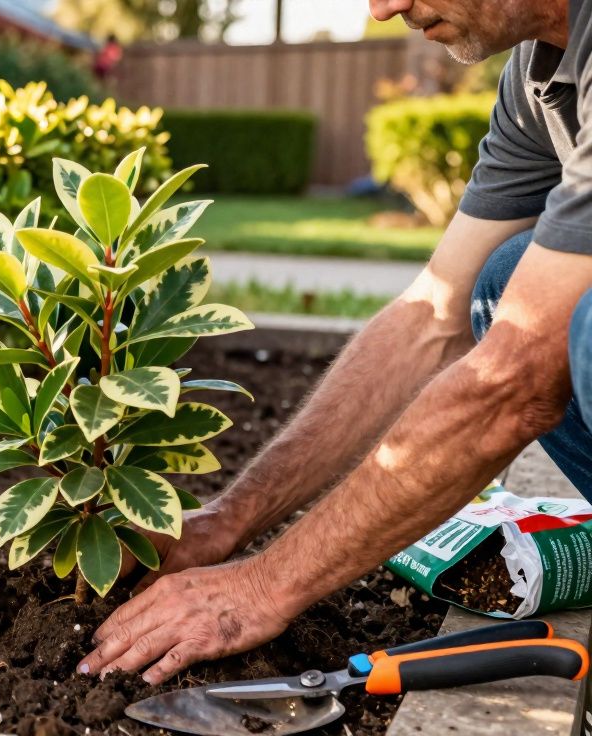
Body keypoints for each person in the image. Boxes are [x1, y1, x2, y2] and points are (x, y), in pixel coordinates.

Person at [78, 0, 592, 686]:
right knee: (499, 281)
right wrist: (229, 523)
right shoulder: (541, 74)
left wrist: (263, 587)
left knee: (574, 324)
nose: (384, 9)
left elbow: (511, 380)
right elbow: (430, 317)